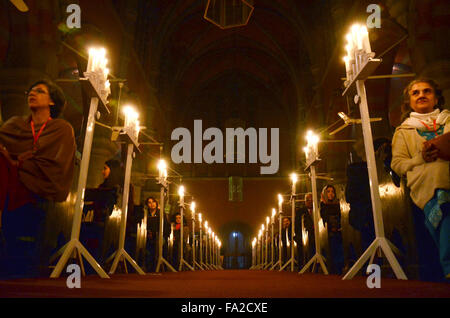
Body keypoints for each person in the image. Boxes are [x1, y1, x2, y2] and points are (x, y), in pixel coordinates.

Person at [0, 79, 76, 278]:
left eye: (40, 91)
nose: (32, 94)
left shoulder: (61, 128)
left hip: (40, 189)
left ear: (52, 101)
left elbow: (54, 164)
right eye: (30, 91)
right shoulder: (15, 124)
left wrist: (18, 161)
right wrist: (16, 159)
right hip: (12, 185)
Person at [391, 78, 449, 280]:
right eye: (415, 93)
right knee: (444, 207)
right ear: (408, 102)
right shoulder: (404, 131)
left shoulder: (448, 120)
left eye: (427, 91)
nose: (422, 95)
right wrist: (420, 158)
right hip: (427, 184)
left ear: (436, 97)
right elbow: (397, 164)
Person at [81, 159, 124, 268]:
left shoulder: (116, 189)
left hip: (105, 223)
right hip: (100, 220)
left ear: (112, 171)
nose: (102, 171)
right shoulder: (104, 187)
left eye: (105, 168)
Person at [320, 185, 344, 275]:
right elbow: (324, 217)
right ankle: (335, 268)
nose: (331, 194)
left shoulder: (338, 203)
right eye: (328, 191)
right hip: (329, 232)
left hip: (340, 229)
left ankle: (342, 267)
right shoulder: (323, 204)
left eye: (332, 192)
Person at [144, 196, 170, 272]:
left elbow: (166, 225)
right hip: (148, 235)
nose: (152, 204)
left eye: (153, 202)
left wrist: (162, 235)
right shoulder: (145, 213)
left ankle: (159, 265)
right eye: (149, 202)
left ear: (156, 203)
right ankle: (148, 266)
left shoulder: (161, 213)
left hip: (159, 235)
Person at [296, 193, 316, 263]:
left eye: (311, 199)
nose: (310, 201)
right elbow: (297, 225)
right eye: (308, 200)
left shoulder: (317, 210)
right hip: (305, 236)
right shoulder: (300, 212)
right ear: (305, 201)